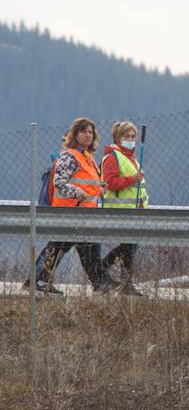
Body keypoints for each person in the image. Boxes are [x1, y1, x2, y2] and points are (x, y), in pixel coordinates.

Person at [29, 117, 110, 295]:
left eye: (90, 132)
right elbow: (59, 182)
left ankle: (37, 279)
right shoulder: (69, 155)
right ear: (75, 134)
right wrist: (76, 192)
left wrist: (100, 189)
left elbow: (89, 184)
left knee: (62, 247)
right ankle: (101, 283)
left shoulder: (89, 158)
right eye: (83, 131)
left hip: (84, 213)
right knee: (83, 247)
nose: (88, 135)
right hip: (70, 211)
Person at [97, 120, 148, 296]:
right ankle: (104, 267)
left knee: (129, 246)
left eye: (133, 136)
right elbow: (111, 183)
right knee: (128, 246)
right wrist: (132, 179)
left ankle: (126, 283)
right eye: (127, 136)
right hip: (121, 208)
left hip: (135, 210)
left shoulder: (131, 158)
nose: (131, 139)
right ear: (118, 138)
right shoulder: (113, 157)